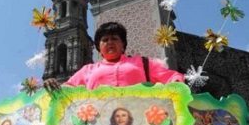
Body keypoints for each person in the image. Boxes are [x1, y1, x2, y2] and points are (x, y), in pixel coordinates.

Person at [44, 22, 184, 90]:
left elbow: (171, 77)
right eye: (105, 40)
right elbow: (68, 88)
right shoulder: (88, 70)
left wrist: (177, 82)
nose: (110, 42)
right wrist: (53, 86)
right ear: (99, 48)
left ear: (123, 44)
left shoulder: (143, 63)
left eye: (114, 39)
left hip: (141, 123)